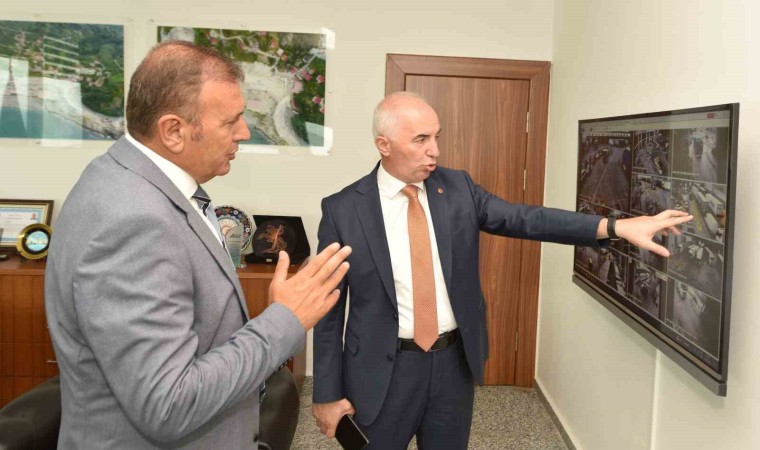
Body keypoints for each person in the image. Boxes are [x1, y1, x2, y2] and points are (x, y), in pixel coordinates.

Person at [311, 91, 691, 449]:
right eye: (421, 140)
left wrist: (614, 227)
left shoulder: (457, 188)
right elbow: (327, 312)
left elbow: (527, 219)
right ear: (384, 144)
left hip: (452, 366)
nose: (435, 151)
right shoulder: (342, 211)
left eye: (437, 137)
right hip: (381, 369)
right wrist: (326, 394)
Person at [44, 41, 351, 449]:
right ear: (174, 131)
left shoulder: (124, 177)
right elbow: (169, 404)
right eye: (231, 121)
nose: (244, 132)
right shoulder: (135, 222)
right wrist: (285, 319)